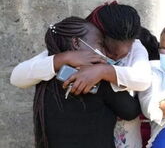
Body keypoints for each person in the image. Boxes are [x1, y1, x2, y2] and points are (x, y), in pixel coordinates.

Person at [10, 2, 151, 148]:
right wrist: (64, 58)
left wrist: (102, 71)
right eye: (106, 49)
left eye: (123, 53)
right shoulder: (63, 57)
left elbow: (143, 79)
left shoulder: (136, 48)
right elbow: (17, 76)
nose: (110, 57)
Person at [33, 16, 140, 148]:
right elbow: (130, 111)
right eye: (100, 44)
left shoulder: (43, 77)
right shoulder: (94, 77)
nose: (104, 52)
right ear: (76, 43)